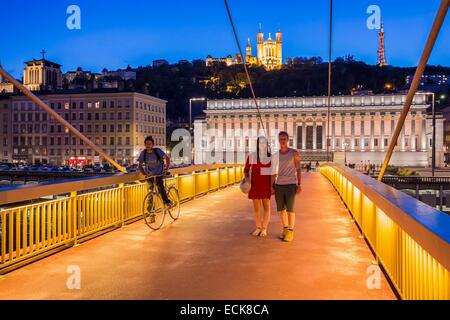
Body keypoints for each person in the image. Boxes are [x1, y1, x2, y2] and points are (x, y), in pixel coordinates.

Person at [271, 132, 302, 242]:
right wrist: (272, 186)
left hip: (290, 184)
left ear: (288, 140)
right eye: (280, 139)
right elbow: (273, 172)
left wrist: (299, 184)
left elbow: (298, 169)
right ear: (278, 140)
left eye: (284, 139)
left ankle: (291, 231)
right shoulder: (275, 155)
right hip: (279, 185)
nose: (282, 141)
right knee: (281, 209)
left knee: (290, 209)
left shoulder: (294, 153)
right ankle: (285, 229)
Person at [244, 137, 273, 237]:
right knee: (257, 208)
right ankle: (258, 227)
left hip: (266, 185)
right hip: (255, 185)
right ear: (257, 144)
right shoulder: (252, 156)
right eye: (260, 143)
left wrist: (272, 186)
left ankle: (264, 228)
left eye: (264, 143)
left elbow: (272, 173)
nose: (262, 145)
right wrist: (248, 181)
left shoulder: (270, 157)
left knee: (266, 207)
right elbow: (246, 170)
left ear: (266, 145)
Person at [138, 136, 172, 206]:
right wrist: (144, 174)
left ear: (153, 145)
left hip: (159, 174)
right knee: (149, 193)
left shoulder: (157, 151)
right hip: (150, 176)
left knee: (160, 188)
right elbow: (140, 165)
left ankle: (167, 202)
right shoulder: (143, 153)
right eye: (146, 144)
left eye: (150, 144)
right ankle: (150, 211)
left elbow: (167, 158)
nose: (148, 145)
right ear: (145, 144)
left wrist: (166, 169)